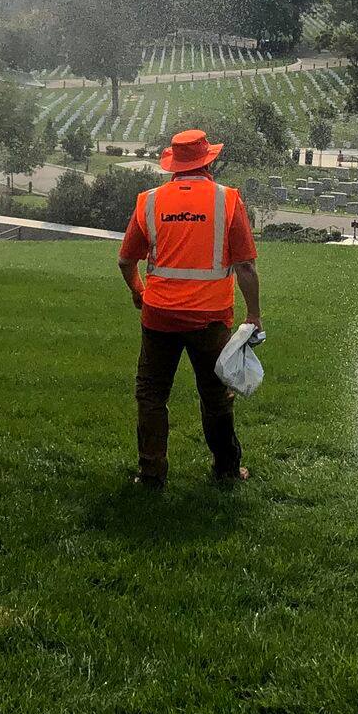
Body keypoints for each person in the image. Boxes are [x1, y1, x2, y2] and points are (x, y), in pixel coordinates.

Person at [118, 128, 263, 488]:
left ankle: (151, 473)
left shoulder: (148, 201)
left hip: (159, 317)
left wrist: (139, 291)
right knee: (216, 396)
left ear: (173, 166)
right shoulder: (227, 201)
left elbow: (125, 261)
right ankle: (227, 471)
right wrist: (254, 315)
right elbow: (245, 265)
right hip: (210, 319)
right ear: (208, 161)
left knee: (151, 394)